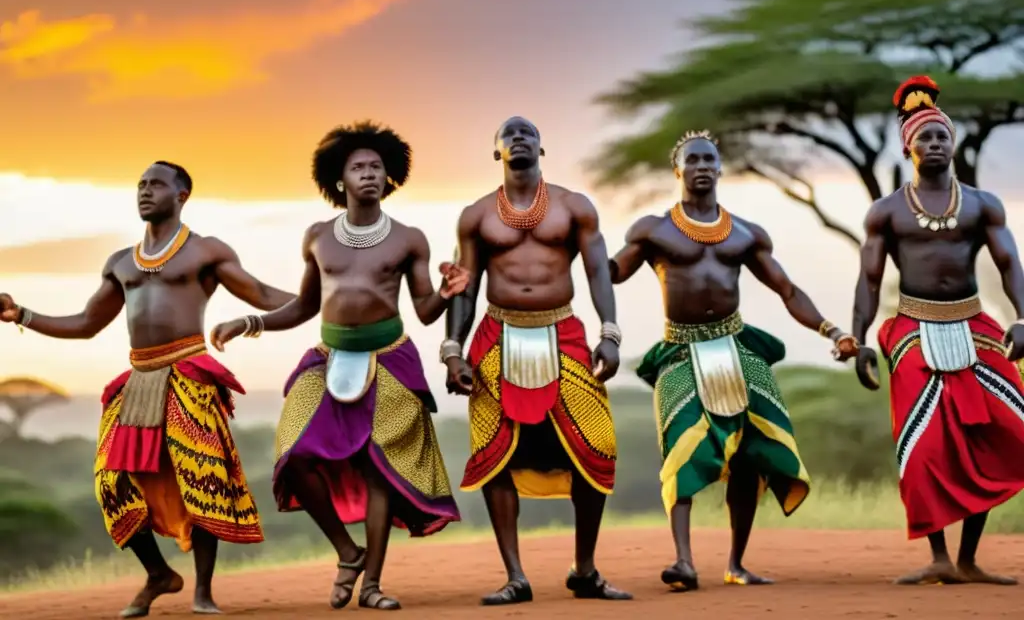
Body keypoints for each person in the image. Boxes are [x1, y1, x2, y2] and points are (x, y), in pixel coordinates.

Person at [0, 161, 295, 617]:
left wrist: (326, 299)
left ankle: (203, 592)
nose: (145, 191)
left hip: (189, 374)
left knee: (201, 477)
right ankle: (159, 573)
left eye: (156, 184)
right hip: (138, 382)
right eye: (140, 184)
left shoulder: (206, 251)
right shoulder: (120, 262)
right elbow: (85, 323)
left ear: (182, 195)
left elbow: (259, 292)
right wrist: (22, 314)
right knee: (110, 481)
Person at [211, 121, 469, 611]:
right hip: (327, 359)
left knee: (380, 472)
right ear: (339, 181)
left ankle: (371, 585)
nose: (369, 174)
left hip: (391, 360)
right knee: (295, 453)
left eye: (376, 167)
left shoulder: (410, 239)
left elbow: (426, 310)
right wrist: (250, 322)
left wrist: (449, 291)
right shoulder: (318, 236)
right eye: (358, 167)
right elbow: (305, 307)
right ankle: (348, 552)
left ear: (389, 177)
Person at [608, 130, 858, 592]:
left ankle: (736, 564)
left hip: (737, 347)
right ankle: (683, 561)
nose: (702, 166)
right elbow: (611, 273)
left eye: (709, 159)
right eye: (693, 159)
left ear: (720, 170)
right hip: (680, 350)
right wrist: (575, 254)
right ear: (677, 170)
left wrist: (833, 330)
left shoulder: (745, 234)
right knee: (681, 446)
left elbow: (787, 290)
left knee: (749, 456)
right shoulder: (652, 230)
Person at [442, 116, 631, 606]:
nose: (520, 137)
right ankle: (515, 576)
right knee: (493, 453)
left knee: (596, 444)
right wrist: (452, 351)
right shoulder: (476, 216)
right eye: (509, 133)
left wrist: (609, 334)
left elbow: (597, 273)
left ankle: (585, 570)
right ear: (497, 152)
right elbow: (464, 286)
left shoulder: (574, 207)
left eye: (529, 133)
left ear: (542, 150)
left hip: (563, 331)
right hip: (497, 334)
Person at [845, 75, 1024, 586]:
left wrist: (1023, 317)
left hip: (973, 323)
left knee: (999, 428)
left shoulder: (983, 204)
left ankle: (968, 558)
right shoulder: (886, 212)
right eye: (924, 137)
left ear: (953, 142)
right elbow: (869, 280)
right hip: (910, 328)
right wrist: (859, 341)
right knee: (924, 446)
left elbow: (1011, 264)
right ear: (908, 147)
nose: (935, 144)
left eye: (942, 135)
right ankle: (939, 556)